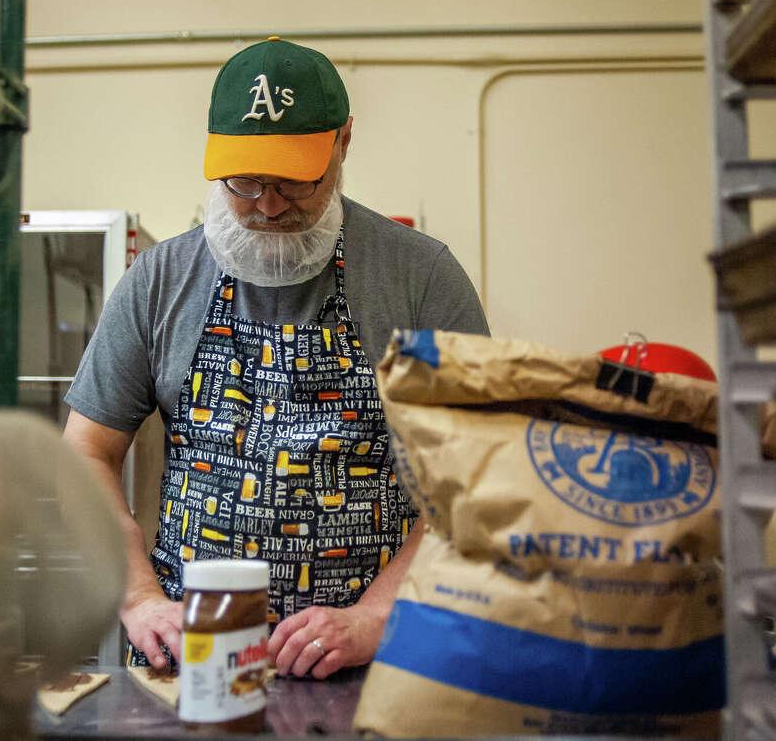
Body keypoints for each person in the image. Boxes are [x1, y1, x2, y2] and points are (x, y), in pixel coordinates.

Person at [62, 37, 488, 680]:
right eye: (245, 180)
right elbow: (84, 453)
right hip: (194, 662)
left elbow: (477, 471)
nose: (267, 203)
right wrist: (139, 596)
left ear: (343, 142)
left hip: (373, 667)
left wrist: (376, 616)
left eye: (294, 179)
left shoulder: (420, 277)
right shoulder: (158, 280)